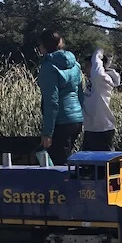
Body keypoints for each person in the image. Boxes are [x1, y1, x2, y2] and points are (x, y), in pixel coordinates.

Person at [37, 29, 84, 166]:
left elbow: (52, 101)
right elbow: (80, 94)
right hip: (76, 120)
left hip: (61, 121)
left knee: (57, 165)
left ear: (43, 46)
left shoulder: (48, 67)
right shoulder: (75, 65)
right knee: (64, 160)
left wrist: (47, 133)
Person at [81, 49, 121, 152]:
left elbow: (98, 73)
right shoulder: (92, 83)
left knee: (104, 161)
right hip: (91, 129)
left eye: (88, 66)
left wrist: (97, 54)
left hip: (103, 129)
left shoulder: (102, 81)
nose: (85, 69)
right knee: (87, 161)